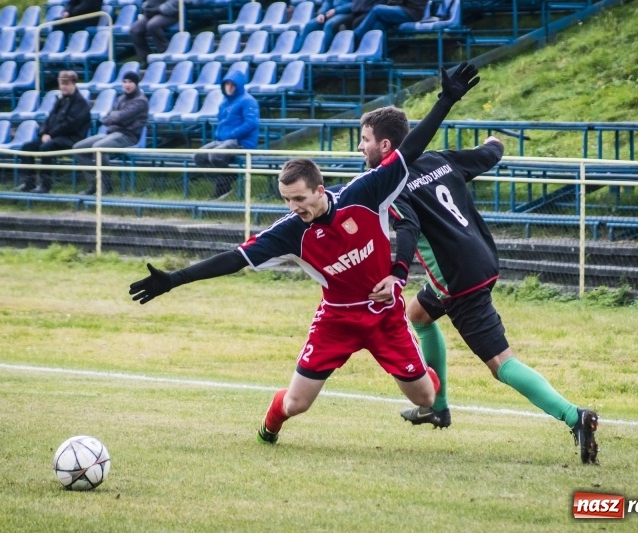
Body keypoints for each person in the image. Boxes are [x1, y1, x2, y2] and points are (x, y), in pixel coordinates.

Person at [129, 62, 482, 445]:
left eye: (299, 198)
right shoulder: (290, 232)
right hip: (337, 320)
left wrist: (446, 100)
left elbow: (410, 149)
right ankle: (268, 429)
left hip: (385, 315)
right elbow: (235, 258)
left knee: (425, 397)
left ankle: (424, 379)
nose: (294, 207)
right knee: (296, 403)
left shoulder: (363, 194)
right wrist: (174, 279)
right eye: (287, 200)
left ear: (319, 190)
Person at [360, 122, 600, 465]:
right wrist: (494, 143)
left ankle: (575, 416)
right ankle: (437, 408)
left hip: (460, 282)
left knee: (501, 364)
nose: (360, 147)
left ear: (385, 145)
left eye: (365, 139)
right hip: (482, 259)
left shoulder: (393, 184)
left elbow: (408, 227)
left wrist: (397, 271)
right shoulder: (438, 159)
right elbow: (487, 155)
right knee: (418, 314)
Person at [73, 71, 148, 196]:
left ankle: (105, 186)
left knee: (98, 147)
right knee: (78, 148)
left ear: (136, 84)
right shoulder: (121, 98)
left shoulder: (140, 101)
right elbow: (108, 116)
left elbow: (121, 117)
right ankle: (94, 184)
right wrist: (113, 117)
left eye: (130, 82)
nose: (127, 85)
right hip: (113, 133)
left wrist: (113, 117)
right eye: (124, 82)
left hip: (129, 136)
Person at [15, 71, 90, 194]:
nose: (63, 87)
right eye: (61, 84)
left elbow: (69, 125)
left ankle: (45, 185)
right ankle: (29, 183)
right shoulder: (60, 99)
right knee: (27, 147)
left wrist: (51, 135)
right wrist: (43, 133)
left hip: (71, 138)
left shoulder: (80, 103)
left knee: (46, 148)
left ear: (73, 84)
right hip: (54, 137)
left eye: (66, 84)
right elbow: (49, 119)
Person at [192, 71, 259, 199]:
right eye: (227, 84)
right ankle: (224, 183)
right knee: (198, 157)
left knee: (215, 155)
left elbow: (252, 123)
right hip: (223, 140)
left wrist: (233, 134)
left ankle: (223, 185)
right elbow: (222, 122)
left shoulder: (248, 101)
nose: (229, 87)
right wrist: (219, 134)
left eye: (233, 85)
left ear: (239, 86)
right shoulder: (224, 102)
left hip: (241, 142)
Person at [130, 0, 179, 66]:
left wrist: (153, 8)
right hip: (152, 13)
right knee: (135, 29)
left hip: (170, 14)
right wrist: (148, 8)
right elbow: (146, 5)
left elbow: (170, 7)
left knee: (152, 25)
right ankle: (146, 59)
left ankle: (165, 53)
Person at [352, 0, 428, 42]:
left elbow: (396, 2)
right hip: (407, 9)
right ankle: (379, 54)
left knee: (377, 9)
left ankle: (357, 35)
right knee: (378, 24)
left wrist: (388, 2)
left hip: (412, 13)